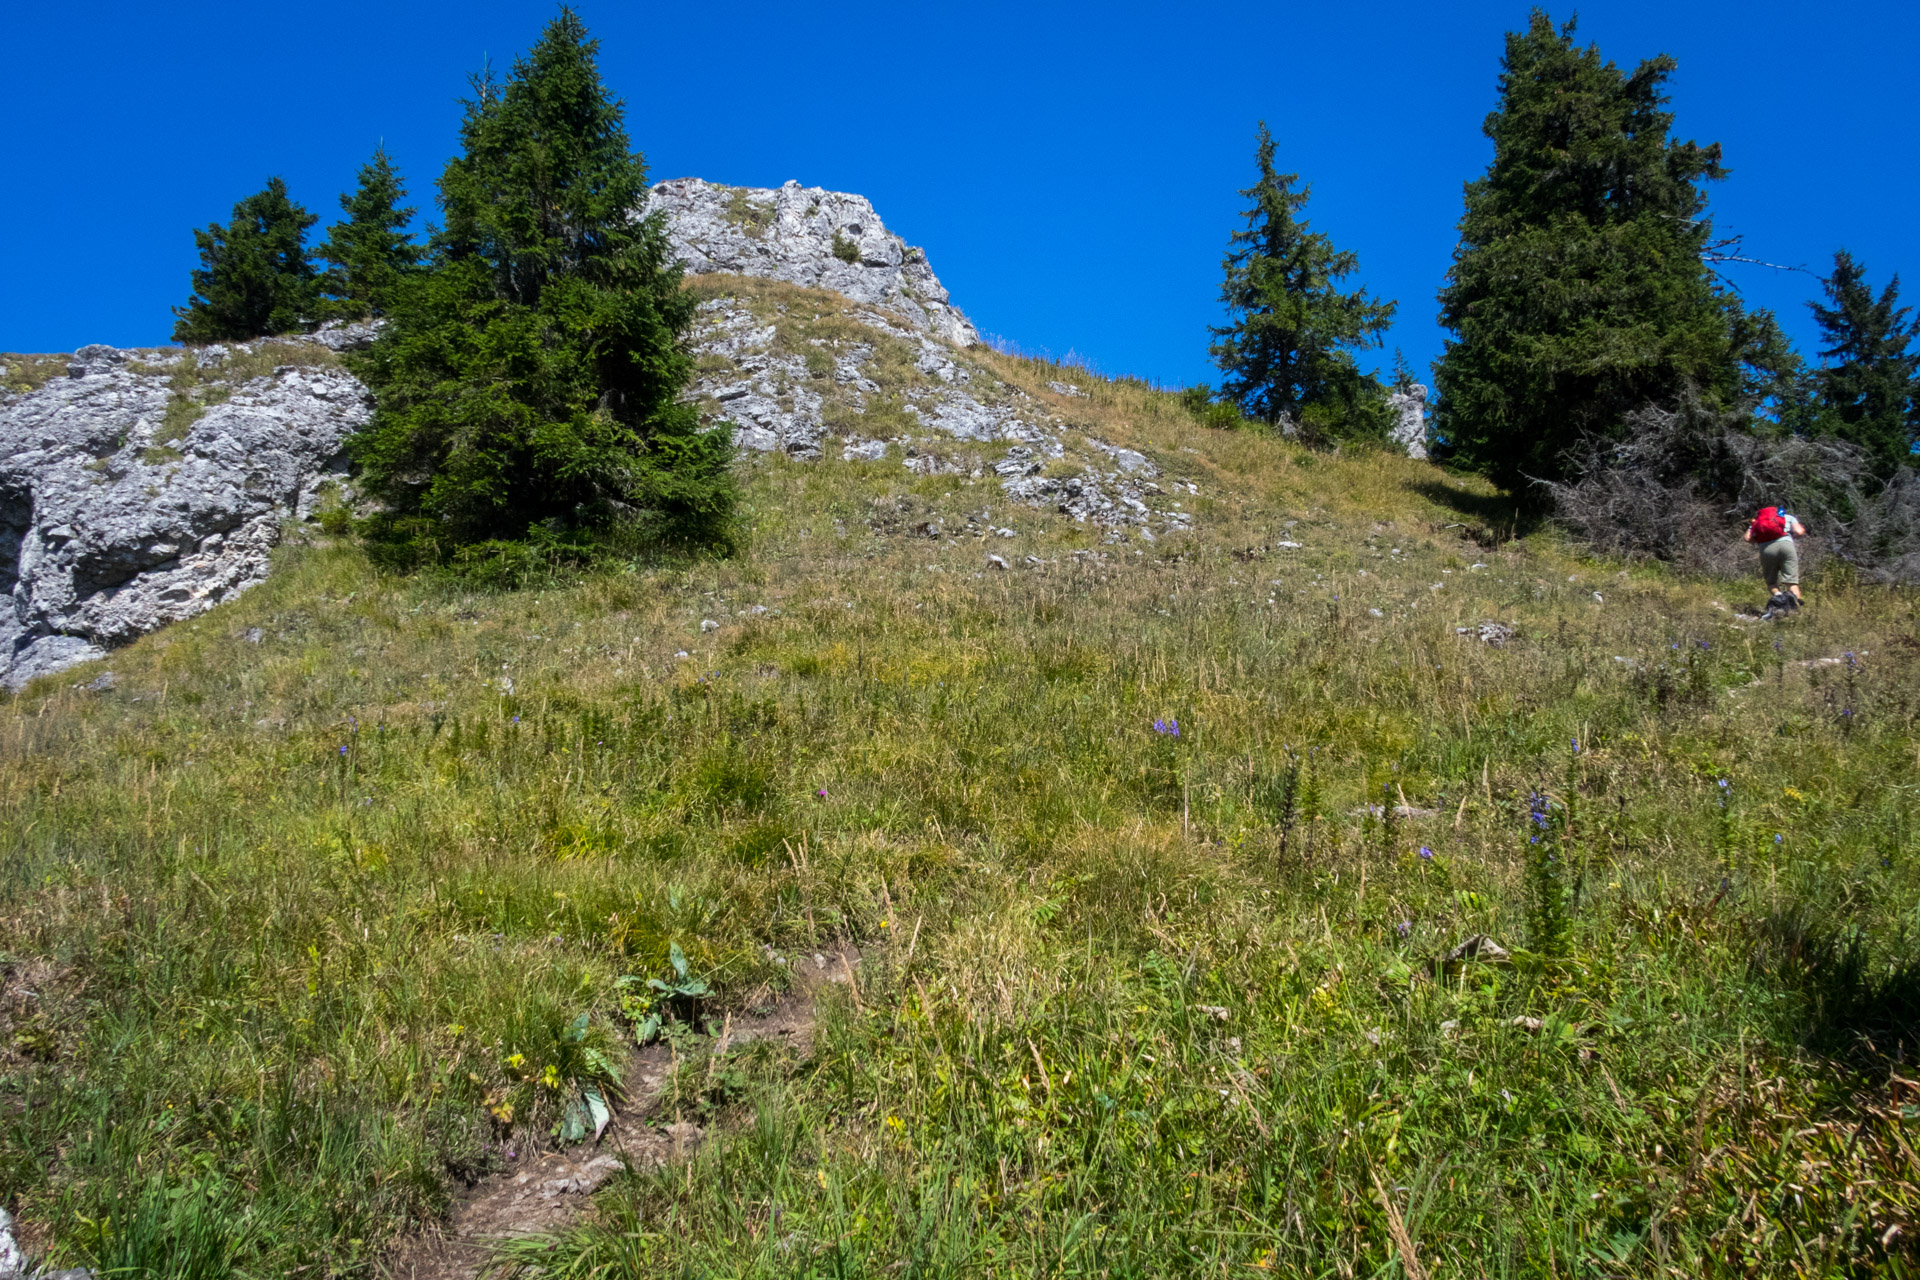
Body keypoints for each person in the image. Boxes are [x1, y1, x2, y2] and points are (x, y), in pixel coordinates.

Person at [1744, 505, 1807, 606]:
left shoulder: (1757, 522)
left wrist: (1760, 540)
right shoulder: (1788, 517)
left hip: (1766, 549)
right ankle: (1797, 609)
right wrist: (1791, 537)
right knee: (1792, 583)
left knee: (1771, 582)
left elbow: (1747, 538)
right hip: (1786, 546)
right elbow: (1799, 531)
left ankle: (1779, 597)